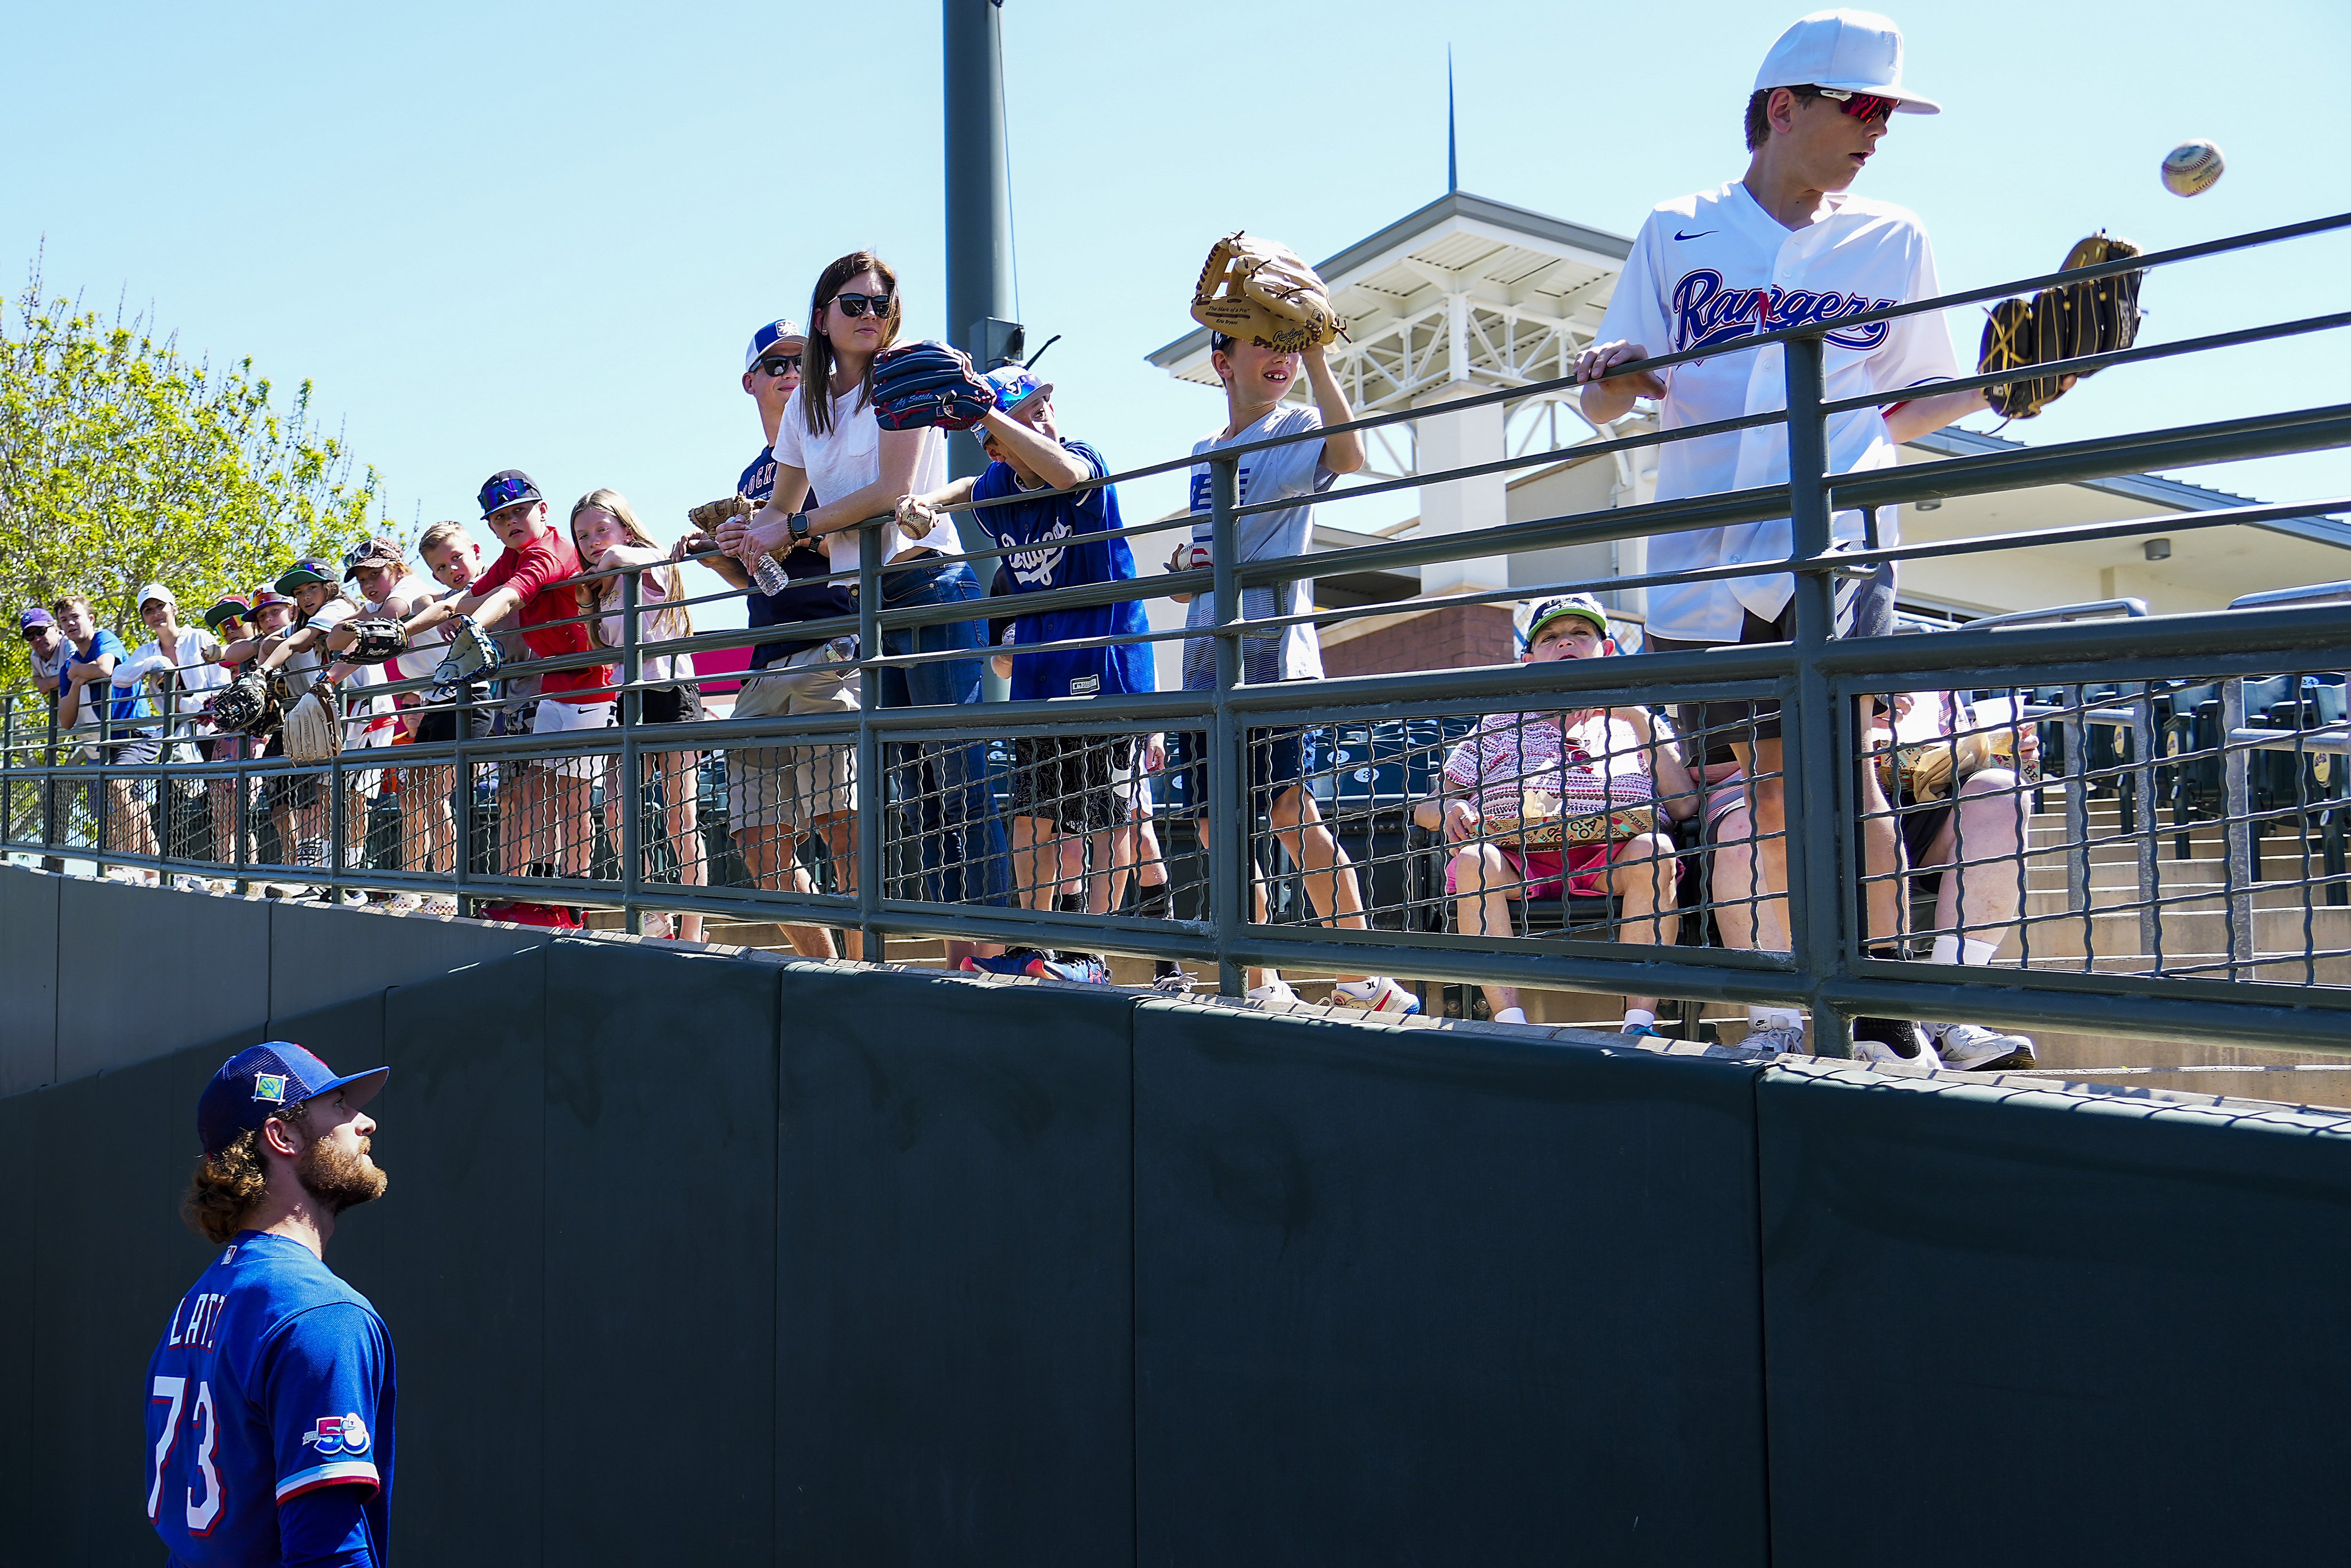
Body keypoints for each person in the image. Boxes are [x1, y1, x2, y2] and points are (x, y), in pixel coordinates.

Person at [1571, 8, 1981, 1060]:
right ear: (1783, 106)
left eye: (1891, 111)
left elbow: (1917, 398)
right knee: (1752, 787)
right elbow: (1613, 397)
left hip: (1829, 532)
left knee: (1844, 770)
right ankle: (1787, 1008)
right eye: (1864, 105)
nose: (1880, 129)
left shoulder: (1894, 234)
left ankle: (1888, 1018)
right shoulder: (1679, 224)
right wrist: (1608, 378)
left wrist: (2009, 388)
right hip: (1703, 546)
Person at [723, 252, 1008, 947]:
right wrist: (741, 532)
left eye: (881, 304)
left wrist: (786, 527)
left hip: (929, 586)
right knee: (916, 789)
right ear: (824, 316)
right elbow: (783, 512)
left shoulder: (903, 370)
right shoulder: (807, 408)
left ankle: (1003, 949)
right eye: (854, 305)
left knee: (959, 777)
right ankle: (958, 954)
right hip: (867, 607)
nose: (871, 316)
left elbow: (888, 495)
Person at [1159, 326, 1415, 1015]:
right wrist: (1186, 568)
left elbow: (1351, 454)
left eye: (1289, 345)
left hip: (1273, 657)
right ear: (1222, 361)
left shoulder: (1298, 420)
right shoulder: (1204, 449)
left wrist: (1322, 357)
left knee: (1286, 811)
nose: (1282, 356)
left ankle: (1365, 977)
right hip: (1206, 659)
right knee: (1217, 825)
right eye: (1263, 344)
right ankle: (1260, 975)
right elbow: (1208, 557)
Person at [899, 363, 1154, 983]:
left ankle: (1091, 952)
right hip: (1040, 676)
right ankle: (1031, 942)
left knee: (1107, 820)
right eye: (1027, 415)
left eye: (1044, 406)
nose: (1043, 418)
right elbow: (969, 485)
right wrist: (928, 500)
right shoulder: (1001, 480)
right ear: (997, 446)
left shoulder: (1081, 458)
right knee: (1032, 819)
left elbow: (1065, 472)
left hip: (1106, 669)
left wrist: (986, 412)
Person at [150, 1042, 394, 1566]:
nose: (365, 1122)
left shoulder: (195, 1304)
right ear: (281, 1136)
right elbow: (328, 1554)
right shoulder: (320, 1315)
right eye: (340, 1106)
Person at [1414, 596, 1697, 1032]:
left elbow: (1684, 805)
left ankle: (1640, 1021)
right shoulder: (1500, 721)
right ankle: (1509, 1022)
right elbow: (1427, 808)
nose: (1565, 643)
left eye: (1580, 634)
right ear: (1529, 660)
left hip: (1611, 861)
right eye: (1550, 638)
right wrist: (1453, 805)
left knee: (1657, 849)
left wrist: (1637, 721)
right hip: (1519, 864)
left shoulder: (1639, 720)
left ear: (1605, 651)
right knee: (1472, 860)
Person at [677, 317, 863, 959]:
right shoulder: (756, 471)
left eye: (800, 362)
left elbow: (856, 531)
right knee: (756, 839)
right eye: (776, 365)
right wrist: (719, 554)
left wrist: (775, 530)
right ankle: (827, 966)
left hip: (831, 648)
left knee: (844, 827)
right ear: (750, 381)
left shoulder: (840, 437)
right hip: (765, 661)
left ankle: (867, 975)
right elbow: (764, 579)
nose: (790, 373)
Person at [397, 471, 615, 885]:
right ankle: (520, 889)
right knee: (522, 794)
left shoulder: (546, 552)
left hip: (591, 683)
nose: (511, 522)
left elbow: (509, 596)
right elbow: (463, 600)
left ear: (543, 510)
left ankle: (573, 898)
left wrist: (471, 629)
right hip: (554, 685)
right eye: (500, 518)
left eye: (520, 511)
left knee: (572, 802)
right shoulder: (513, 555)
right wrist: (401, 633)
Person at [573, 488, 706, 943]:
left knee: (678, 817)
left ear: (625, 528)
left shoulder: (646, 561)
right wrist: (589, 598)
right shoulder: (601, 584)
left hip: (669, 694)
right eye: (583, 536)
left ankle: (693, 928)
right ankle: (653, 910)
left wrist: (612, 556)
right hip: (628, 700)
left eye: (601, 530)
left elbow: (648, 561)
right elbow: (603, 647)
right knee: (614, 807)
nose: (592, 542)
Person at [111, 583, 230, 889]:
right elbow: (119, 677)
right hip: (177, 738)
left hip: (212, 730)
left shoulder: (198, 638)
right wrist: (157, 665)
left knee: (223, 804)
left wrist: (191, 704)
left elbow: (221, 683)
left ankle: (230, 876)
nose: (155, 614)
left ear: (173, 608)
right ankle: (180, 872)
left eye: (159, 606)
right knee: (177, 803)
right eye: (148, 610)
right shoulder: (147, 651)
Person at [53, 592, 160, 881]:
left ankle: (145, 869)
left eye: (75, 616)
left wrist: (78, 672)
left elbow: (105, 668)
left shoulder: (105, 639)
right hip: (104, 743)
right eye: (64, 620)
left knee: (118, 785)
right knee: (111, 805)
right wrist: (75, 681)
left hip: (135, 733)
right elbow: (65, 720)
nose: (70, 623)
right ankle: (133, 870)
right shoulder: (70, 663)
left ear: (90, 619)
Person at [21, 607, 74, 865]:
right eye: (30, 636)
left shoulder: (70, 644)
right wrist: (62, 677)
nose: (37, 639)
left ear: (55, 627)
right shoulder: (35, 657)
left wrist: (58, 678)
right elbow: (40, 685)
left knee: (122, 794)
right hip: (74, 727)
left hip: (104, 723)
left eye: (41, 631)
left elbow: (76, 672)